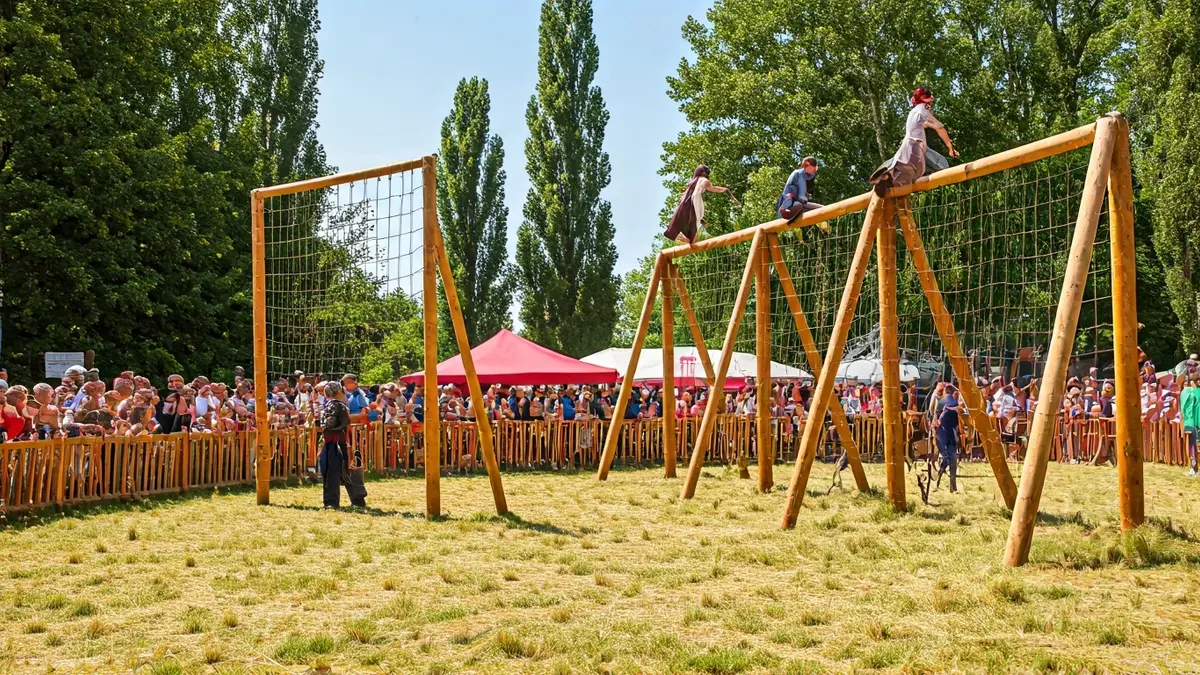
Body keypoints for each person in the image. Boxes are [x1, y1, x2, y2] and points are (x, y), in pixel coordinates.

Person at [870, 87, 959, 197]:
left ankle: (888, 176)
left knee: (902, 167)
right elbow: (940, 128)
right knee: (942, 165)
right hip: (917, 147)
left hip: (906, 146)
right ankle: (915, 179)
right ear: (925, 101)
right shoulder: (923, 110)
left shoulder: (913, 112)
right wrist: (950, 147)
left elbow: (926, 124)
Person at [664, 165, 741, 245]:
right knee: (693, 235)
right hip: (693, 203)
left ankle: (683, 237)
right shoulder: (704, 181)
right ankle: (686, 238)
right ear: (704, 173)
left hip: (685, 205)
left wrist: (700, 219)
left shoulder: (691, 184)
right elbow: (713, 189)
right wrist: (728, 192)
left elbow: (687, 206)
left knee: (688, 230)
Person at [777, 157, 823, 221]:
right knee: (799, 205)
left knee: (820, 208)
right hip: (787, 203)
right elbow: (801, 197)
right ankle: (786, 212)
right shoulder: (799, 174)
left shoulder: (802, 176)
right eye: (814, 168)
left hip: (794, 202)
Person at [935, 387, 961, 492]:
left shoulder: (947, 402)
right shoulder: (949, 400)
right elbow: (954, 405)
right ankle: (948, 483)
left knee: (950, 458)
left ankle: (949, 484)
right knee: (950, 458)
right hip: (946, 433)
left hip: (946, 433)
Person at [1182, 375, 1200, 477]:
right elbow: (1186, 409)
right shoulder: (1187, 392)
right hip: (1191, 423)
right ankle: (1194, 467)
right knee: (1193, 439)